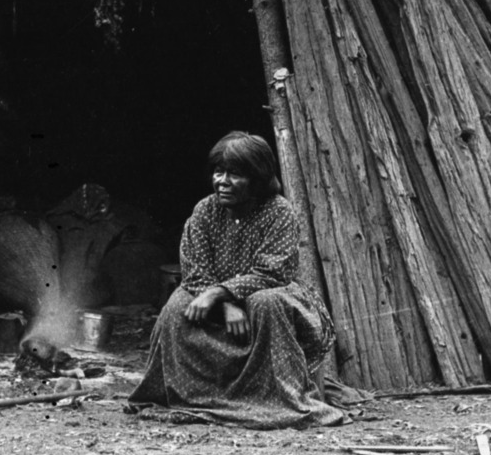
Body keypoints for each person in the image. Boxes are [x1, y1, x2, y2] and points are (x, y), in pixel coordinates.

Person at [129, 131, 348, 428]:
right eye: (219, 172)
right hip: (217, 297)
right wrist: (226, 303)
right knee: (178, 304)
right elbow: (194, 269)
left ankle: (272, 399)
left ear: (257, 179)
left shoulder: (278, 212)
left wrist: (223, 292)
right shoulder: (205, 210)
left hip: (272, 295)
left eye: (235, 174)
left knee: (265, 302)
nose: (223, 181)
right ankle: (194, 395)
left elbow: (273, 272)